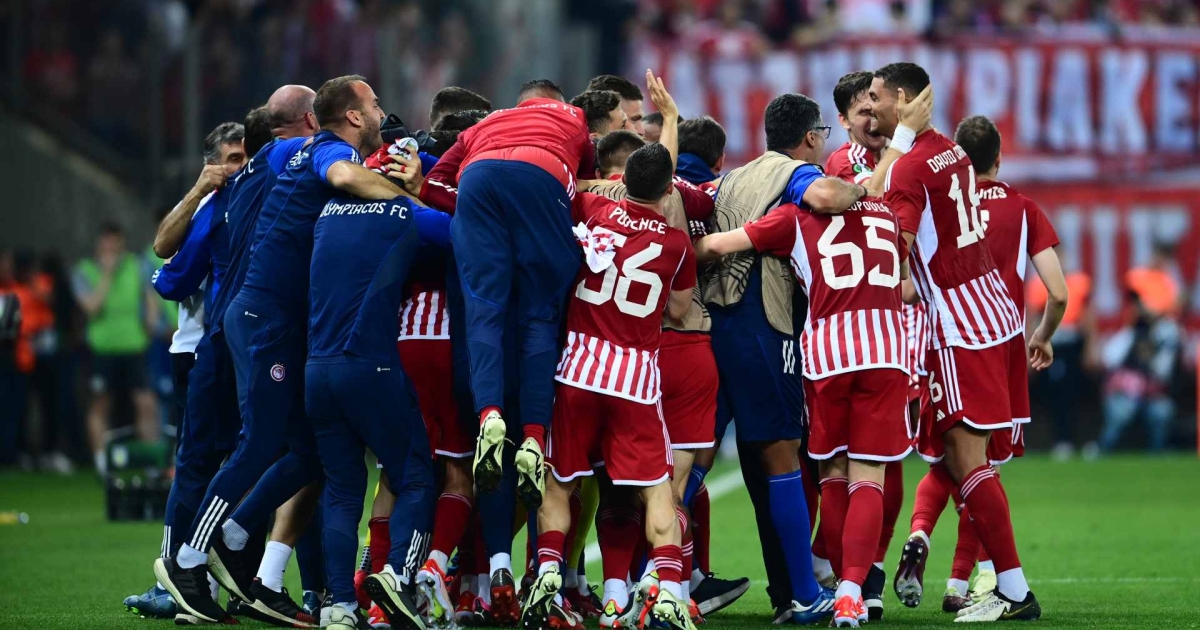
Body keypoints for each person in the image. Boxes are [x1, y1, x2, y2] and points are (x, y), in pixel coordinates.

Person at [156, 75, 412, 625]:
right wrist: (410, 199)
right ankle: (187, 559)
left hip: (260, 316)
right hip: (264, 318)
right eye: (373, 105)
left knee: (307, 449)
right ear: (346, 117)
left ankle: (233, 538)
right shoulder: (326, 151)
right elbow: (344, 175)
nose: (380, 112)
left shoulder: (277, 155)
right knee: (257, 442)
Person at [869, 62, 1041, 622]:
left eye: (876, 97)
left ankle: (1014, 591)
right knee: (958, 458)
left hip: (958, 324)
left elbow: (887, 236)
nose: (870, 107)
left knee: (965, 460)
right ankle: (999, 583)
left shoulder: (908, 167)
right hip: (997, 311)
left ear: (902, 99)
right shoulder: (952, 152)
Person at [392, 78, 595, 525]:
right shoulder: (574, 119)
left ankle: (489, 415)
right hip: (542, 179)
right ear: (557, 104)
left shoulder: (484, 125)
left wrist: (447, 198)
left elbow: (432, 183)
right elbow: (585, 185)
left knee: (484, 310)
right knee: (540, 320)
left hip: (478, 180)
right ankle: (534, 437)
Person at [701, 92, 869, 625]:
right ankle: (803, 593)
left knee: (692, 462)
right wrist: (862, 188)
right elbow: (825, 195)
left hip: (712, 326)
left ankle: (650, 578)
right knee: (782, 457)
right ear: (812, 136)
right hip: (764, 327)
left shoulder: (733, 177)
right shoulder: (795, 174)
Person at [524, 138, 697, 630]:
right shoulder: (676, 244)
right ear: (668, 191)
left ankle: (549, 573)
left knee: (560, 483)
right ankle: (668, 591)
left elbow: (564, 192)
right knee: (656, 490)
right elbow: (679, 310)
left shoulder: (594, 211)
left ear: (622, 183)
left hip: (577, 371)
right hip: (635, 380)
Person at [907, 114, 1069, 613]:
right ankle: (974, 583)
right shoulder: (1023, 208)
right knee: (982, 465)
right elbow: (1058, 293)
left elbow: (913, 281)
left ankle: (929, 543)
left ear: (956, 159)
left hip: (945, 339)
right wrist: (1042, 337)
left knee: (952, 459)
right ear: (999, 158)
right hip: (1001, 344)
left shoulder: (943, 205)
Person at [306, 189, 451, 630]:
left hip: (317, 369)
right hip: (370, 364)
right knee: (416, 475)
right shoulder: (401, 211)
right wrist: (415, 190)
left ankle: (340, 606)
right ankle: (399, 576)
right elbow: (457, 232)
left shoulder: (326, 213)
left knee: (341, 489)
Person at [123, 121, 248, 620]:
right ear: (212, 164)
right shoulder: (207, 204)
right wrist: (199, 190)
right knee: (201, 465)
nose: (241, 167)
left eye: (245, 157)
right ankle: (178, 577)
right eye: (232, 159)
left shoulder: (237, 203)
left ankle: (199, 578)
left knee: (224, 465)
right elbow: (163, 255)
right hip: (197, 349)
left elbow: (168, 275)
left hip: (224, 347)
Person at [818, 70, 907, 620]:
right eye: (862, 113)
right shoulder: (842, 167)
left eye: (877, 108)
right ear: (844, 121)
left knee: (890, 462)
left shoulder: (905, 159)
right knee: (851, 466)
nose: (872, 120)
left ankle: (865, 568)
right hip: (857, 327)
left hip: (900, 329)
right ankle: (847, 572)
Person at [72, 222, 160, 474]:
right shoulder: (84, 271)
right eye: (107, 241)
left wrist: (150, 324)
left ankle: (152, 464)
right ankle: (102, 463)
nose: (111, 247)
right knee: (101, 405)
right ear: (99, 243)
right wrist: (107, 275)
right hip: (102, 350)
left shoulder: (136, 266)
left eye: (116, 241)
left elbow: (150, 298)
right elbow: (91, 307)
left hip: (133, 348)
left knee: (146, 403)